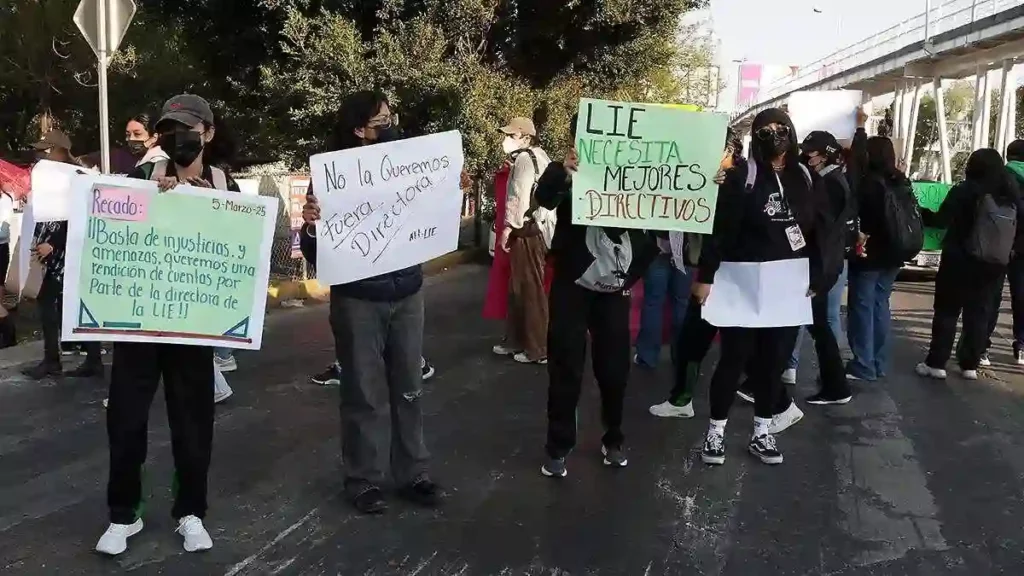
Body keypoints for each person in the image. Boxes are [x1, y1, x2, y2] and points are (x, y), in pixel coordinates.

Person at [96, 94, 233, 556]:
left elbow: (239, 250)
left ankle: (190, 512)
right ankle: (123, 516)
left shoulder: (223, 184)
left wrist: (201, 203)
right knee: (127, 421)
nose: (179, 138)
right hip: (140, 325)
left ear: (208, 134)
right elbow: (115, 233)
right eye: (170, 129)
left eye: (188, 129)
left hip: (193, 328)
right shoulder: (142, 179)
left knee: (193, 424)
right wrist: (151, 204)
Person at [300, 90, 441, 514]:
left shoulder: (410, 165)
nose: (390, 123)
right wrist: (310, 229)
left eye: (391, 115)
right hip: (358, 299)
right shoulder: (330, 175)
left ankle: (414, 473)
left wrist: (450, 189)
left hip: (408, 293)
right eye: (381, 119)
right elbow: (315, 251)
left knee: (410, 388)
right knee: (363, 392)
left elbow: (430, 211)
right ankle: (362, 479)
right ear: (359, 129)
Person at [693, 108, 832, 467]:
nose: (774, 134)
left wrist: (822, 276)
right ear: (755, 136)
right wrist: (706, 277)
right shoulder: (741, 176)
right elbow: (720, 230)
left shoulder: (806, 178)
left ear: (792, 131)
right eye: (765, 130)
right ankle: (716, 432)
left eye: (780, 128)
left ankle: (762, 432)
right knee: (733, 360)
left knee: (772, 365)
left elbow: (821, 231)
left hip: (788, 285)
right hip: (741, 281)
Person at [534, 113, 657, 478]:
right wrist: (565, 173)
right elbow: (544, 198)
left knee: (614, 367)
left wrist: (708, 185)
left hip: (613, 287)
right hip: (572, 283)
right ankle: (558, 446)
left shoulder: (637, 173)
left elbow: (664, 209)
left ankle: (614, 438)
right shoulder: (566, 171)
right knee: (565, 364)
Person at [649, 132, 746, 418]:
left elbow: (722, 235)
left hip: (722, 275)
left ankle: (776, 404)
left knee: (712, 343)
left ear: (727, 150)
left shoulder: (737, 181)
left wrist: (706, 276)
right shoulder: (723, 178)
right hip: (720, 274)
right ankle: (683, 399)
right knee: (704, 340)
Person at [916, 148, 1021, 381]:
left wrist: (920, 211)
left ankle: (937, 363)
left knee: (947, 310)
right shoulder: (1009, 194)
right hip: (994, 264)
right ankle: (970, 365)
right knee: (979, 314)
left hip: (958, 259)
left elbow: (940, 219)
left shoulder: (964, 190)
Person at [22, 130, 104, 379]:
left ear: (59, 150)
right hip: (54, 247)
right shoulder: (51, 176)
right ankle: (85, 359)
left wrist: (54, 244)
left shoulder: (76, 176)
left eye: (46, 149)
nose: (41, 154)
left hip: (68, 248)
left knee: (60, 302)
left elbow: (80, 212)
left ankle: (59, 360)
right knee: (62, 302)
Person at [791, 130, 855, 405]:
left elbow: (825, 234)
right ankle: (836, 385)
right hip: (821, 266)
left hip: (818, 267)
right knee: (814, 325)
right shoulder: (831, 179)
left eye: (812, 152)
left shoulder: (828, 184)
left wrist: (820, 276)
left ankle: (836, 386)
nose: (807, 156)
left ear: (825, 153)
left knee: (817, 326)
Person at [845, 125, 908, 381]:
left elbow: (865, 220)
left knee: (861, 307)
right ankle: (878, 363)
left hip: (869, 253)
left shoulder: (869, 184)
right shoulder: (901, 181)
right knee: (881, 305)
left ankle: (863, 364)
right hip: (894, 253)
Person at [493, 117, 551, 364]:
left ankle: (537, 348)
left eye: (512, 135)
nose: (507, 140)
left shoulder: (526, 160)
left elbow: (519, 198)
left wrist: (507, 228)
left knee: (529, 289)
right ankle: (517, 340)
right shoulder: (539, 157)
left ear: (526, 137)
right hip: (537, 228)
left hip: (527, 230)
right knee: (518, 288)